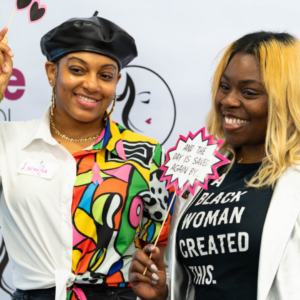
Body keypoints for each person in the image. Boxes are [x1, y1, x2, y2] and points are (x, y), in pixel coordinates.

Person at [0, 12, 173, 300]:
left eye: (105, 75)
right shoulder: (9, 141)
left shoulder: (146, 155)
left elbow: (156, 253)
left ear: (116, 81)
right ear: (52, 72)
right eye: (78, 70)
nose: (92, 85)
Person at [129, 31, 300, 300]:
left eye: (249, 92)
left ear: (286, 99)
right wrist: (162, 293)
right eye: (224, 87)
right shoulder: (204, 170)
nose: (228, 101)